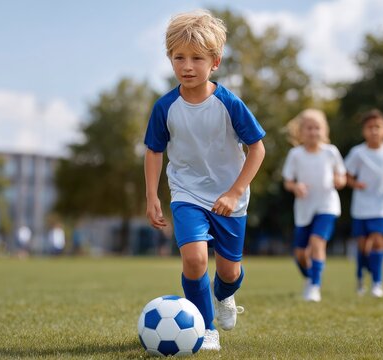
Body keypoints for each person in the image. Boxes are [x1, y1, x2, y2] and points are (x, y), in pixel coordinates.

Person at [143, 10, 266, 351]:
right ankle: (205, 328)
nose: (187, 65)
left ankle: (225, 296)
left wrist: (235, 190)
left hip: (230, 198)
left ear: (215, 62)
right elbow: (154, 151)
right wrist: (153, 196)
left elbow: (257, 149)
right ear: (170, 59)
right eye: (179, 57)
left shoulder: (229, 103)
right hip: (187, 192)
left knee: (228, 273)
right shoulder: (164, 107)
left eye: (197, 58)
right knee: (195, 259)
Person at [282, 109, 346, 302]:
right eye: (309, 128)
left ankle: (315, 287)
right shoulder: (296, 154)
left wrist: (338, 180)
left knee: (317, 242)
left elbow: (341, 177)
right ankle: (309, 277)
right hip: (304, 208)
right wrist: (296, 186)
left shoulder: (331, 152)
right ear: (300, 132)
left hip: (327, 205)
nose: (313, 132)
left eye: (317, 127)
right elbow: (288, 181)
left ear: (324, 130)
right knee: (301, 253)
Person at [345, 109, 383, 298]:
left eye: (378, 127)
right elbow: (346, 175)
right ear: (364, 131)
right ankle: (360, 275)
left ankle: (377, 283)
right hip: (362, 206)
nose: (374, 131)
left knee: (379, 241)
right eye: (370, 127)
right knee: (364, 245)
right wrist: (355, 183)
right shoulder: (357, 152)